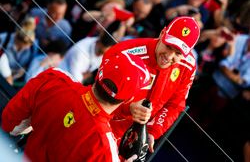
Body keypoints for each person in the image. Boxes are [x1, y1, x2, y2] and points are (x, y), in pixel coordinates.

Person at [1, 52, 150, 162]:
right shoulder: (105, 149)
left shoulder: (54, 78)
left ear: (99, 72)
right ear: (129, 99)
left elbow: (11, 125)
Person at [106, 16, 200, 152]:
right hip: (106, 126)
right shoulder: (125, 53)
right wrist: (128, 108)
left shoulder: (188, 66)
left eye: (178, 53)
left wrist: (152, 132)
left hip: (136, 141)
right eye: (168, 46)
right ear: (162, 33)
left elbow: (175, 105)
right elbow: (100, 95)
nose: (169, 56)